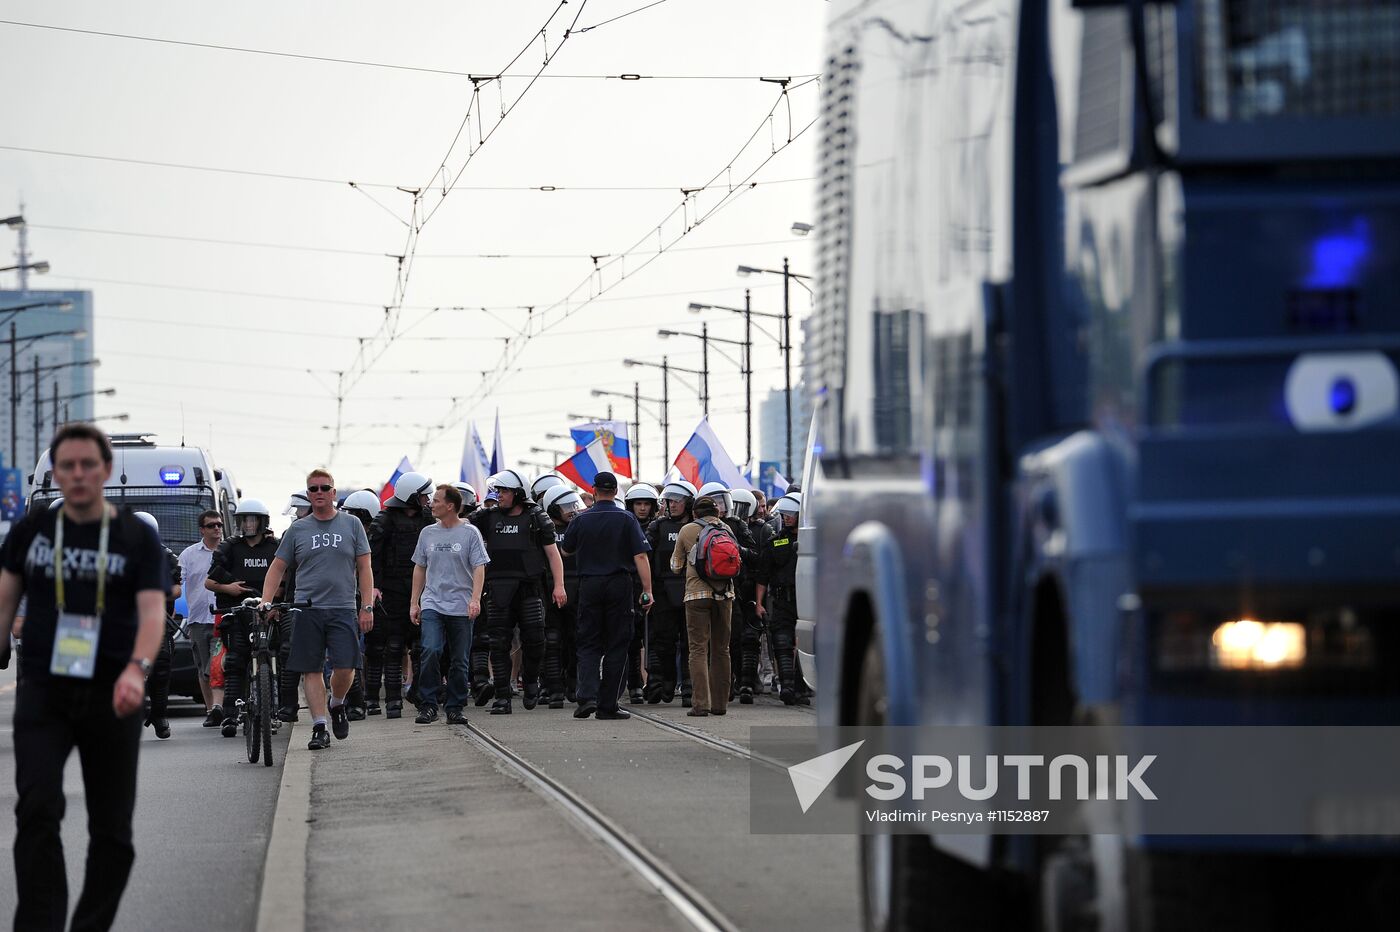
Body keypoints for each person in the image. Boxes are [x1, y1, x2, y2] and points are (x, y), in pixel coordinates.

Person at [0, 423, 169, 931]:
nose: (77, 475)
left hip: (111, 693)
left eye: (87, 465)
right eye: (67, 466)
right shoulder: (31, 530)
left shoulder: (134, 535)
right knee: (36, 809)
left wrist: (137, 671)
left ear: (105, 471)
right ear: (54, 474)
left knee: (113, 833)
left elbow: (153, 612)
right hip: (44, 690)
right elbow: (7, 592)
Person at [260, 469, 373, 750]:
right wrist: (266, 599)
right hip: (306, 608)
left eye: (325, 488)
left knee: (346, 668)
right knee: (311, 669)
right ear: (308, 495)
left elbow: (365, 567)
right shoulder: (298, 529)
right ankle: (319, 726)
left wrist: (366, 605)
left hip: (343, 607)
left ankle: (336, 703)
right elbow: (278, 567)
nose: (319, 493)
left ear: (334, 493)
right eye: (313, 489)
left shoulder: (352, 525)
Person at [470, 469, 565, 714]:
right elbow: (461, 525)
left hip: (529, 590)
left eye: (503, 491)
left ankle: (531, 681)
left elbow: (553, 554)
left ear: (518, 493)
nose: (498, 495)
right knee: (498, 644)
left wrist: (559, 585)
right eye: (497, 491)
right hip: (497, 590)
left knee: (536, 641)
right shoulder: (486, 518)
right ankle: (502, 697)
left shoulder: (537, 517)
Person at [560, 473, 653, 720]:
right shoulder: (626, 518)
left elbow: (565, 550)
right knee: (617, 644)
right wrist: (647, 590)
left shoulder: (581, 519)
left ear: (594, 490)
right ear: (615, 492)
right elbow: (641, 556)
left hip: (589, 584)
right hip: (619, 585)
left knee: (588, 642)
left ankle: (586, 697)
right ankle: (608, 704)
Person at [410, 484, 489, 724]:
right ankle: (428, 704)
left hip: (461, 605)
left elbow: (479, 567)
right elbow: (420, 567)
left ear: (450, 506)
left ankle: (455, 706)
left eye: (435, 501)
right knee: (431, 650)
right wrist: (415, 602)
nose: (431, 504)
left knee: (459, 659)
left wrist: (475, 599)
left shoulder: (470, 533)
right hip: (433, 602)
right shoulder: (427, 533)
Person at [207, 498, 284, 733]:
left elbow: (288, 581)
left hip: (268, 615)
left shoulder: (276, 547)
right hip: (238, 614)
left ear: (262, 522)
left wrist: (275, 603)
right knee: (235, 662)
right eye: (244, 520)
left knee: (275, 661)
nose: (248, 525)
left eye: (253, 520)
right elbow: (209, 582)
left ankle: (274, 711)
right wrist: (228, 588)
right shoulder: (229, 547)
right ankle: (229, 715)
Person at [366, 472, 433, 719]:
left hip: (422, 590)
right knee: (392, 647)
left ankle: (418, 693)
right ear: (411, 496)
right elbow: (372, 558)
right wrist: (373, 588)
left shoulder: (428, 518)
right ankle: (392, 701)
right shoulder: (384, 520)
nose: (428, 500)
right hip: (391, 592)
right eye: (424, 495)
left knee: (420, 647)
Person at [671, 495, 736, 717]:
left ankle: (701, 704)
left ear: (695, 513)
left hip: (696, 595)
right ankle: (720, 704)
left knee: (698, 649)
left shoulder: (687, 530)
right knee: (721, 649)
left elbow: (675, 566)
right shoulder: (727, 529)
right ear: (717, 512)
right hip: (725, 593)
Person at [644, 479, 696, 704]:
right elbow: (644, 554)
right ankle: (666, 680)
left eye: (678, 500)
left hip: (690, 591)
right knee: (662, 641)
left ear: (689, 503)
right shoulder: (657, 526)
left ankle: (688, 686)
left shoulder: (697, 527)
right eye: (669, 500)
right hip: (663, 591)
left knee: (689, 642)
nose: (672, 505)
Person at [133, 511, 182, 740]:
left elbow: (177, 589)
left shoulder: (166, 556)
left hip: (156, 617)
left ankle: (159, 714)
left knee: (161, 665)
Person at [755, 493, 805, 704]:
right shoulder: (775, 542)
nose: (786, 517)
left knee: (805, 645)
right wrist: (758, 603)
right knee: (782, 643)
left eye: (791, 514)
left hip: (806, 600)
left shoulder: (813, 540)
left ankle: (801, 688)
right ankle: (787, 686)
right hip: (782, 600)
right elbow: (763, 575)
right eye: (784, 514)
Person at [340, 489, 383, 720]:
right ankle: (354, 699)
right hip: (346, 598)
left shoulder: (379, 539)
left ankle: (366, 699)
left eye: (355, 515)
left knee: (371, 651)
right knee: (348, 651)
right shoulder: (344, 536)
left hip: (369, 600)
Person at [539, 485, 583, 709]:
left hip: (578, 589)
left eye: (575, 505)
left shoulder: (581, 527)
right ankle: (553, 688)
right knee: (552, 640)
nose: (573, 510)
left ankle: (573, 684)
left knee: (576, 638)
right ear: (553, 509)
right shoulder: (542, 530)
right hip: (549, 591)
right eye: (567, 507)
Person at [179, 509, 224, 726]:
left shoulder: (228, 550)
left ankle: (221, 706)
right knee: (203, 668)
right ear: (202, 530)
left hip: (223, 618)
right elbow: (177, 582)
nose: (217, 528)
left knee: (217, 666)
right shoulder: (188, 554)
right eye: (211, 525)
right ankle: (211, 711)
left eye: (219, 525)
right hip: (197, 619)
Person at [729, 488, 772, 703]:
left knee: (750, 637)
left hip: (753, 588)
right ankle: (735, 679)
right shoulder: (724, 527)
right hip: (732, 588)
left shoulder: (762, 530)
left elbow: (764, 560)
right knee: (732, 638)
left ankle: (747, 680)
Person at [621, 483, 660, 703]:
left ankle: (654, 682)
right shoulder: (624, 526)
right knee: (633, 640)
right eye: (638, 504)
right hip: (630, 588)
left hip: (657, 591)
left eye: (646, 504)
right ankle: (634, 683)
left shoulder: (661, 527)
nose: (642, 508)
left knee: (654, 639)